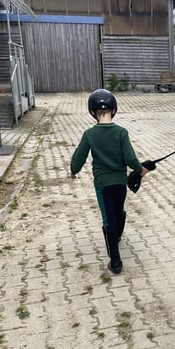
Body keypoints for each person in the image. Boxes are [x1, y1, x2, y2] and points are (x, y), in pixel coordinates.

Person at [70, 89, 148, 274]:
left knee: (108, 219)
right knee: (119, 211)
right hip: (120, 184)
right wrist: (140, 170)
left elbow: (78, 157)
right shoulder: (121, 132)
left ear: (92, 112)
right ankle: (118, 236)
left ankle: (115, 261)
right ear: (113, 110)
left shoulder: (89, 134)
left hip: (102, 185)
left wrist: (74, 170)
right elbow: (130, 158)